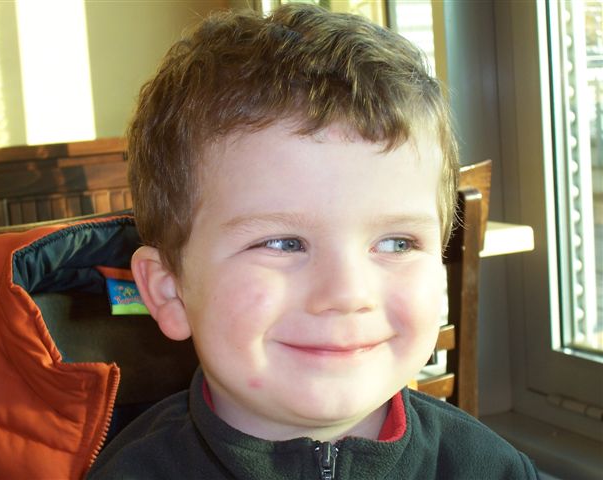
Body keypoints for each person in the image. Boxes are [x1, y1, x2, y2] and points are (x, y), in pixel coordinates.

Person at [88, 4, 538, 479]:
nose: (348, 294)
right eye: (284, 243)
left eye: (397, 243)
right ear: (171, 291)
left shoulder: (493, 469)